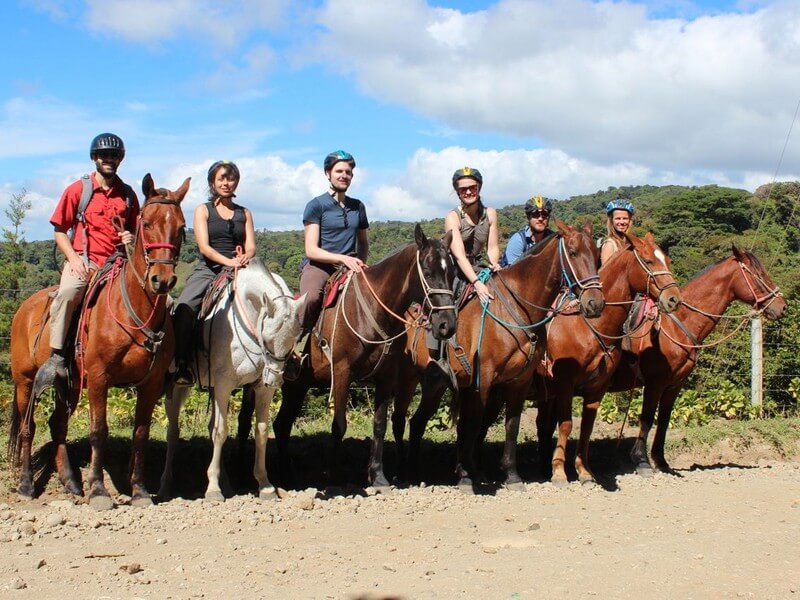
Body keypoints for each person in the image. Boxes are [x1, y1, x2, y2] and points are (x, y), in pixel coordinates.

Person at [33, 133, 140, 387]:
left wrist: (130, 237)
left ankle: (158, 363)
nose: (109, 160)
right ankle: (56, 358)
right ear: (95, 158)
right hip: (85, 261)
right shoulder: (78, 190)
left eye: (114, 156)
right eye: (104, 155)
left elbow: (138, 232)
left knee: (161, 299)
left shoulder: (127, 195)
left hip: (118, 265)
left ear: (120, 159)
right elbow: (60, 230)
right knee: (68, 293)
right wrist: (73, 259)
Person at [172, 160, 256, 385]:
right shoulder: (203, 210)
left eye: (231, 178)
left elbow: (251, 245)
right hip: (209, 269)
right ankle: (181, 363)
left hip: (242, 266)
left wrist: (245, 256)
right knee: (184, 306)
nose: (226, 183)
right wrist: (228, 261)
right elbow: (204, 248)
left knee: (274, 298)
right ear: (212, 182)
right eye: (222, 178)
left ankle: (282, 358)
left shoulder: (244, 212)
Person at [297, 150, 369, 331]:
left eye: (348, 172)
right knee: (311, 298)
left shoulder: (358, 206)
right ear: (328, 174)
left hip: (350, 265)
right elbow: (311, 250)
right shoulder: (316, 205)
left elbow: (363, 242)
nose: (344, 176)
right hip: (319, 266)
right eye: (339, 171)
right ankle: (292, 344)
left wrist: (359, 262)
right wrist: (343, 258)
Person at [446, 167, 501, 304]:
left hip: (478, 266)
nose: (469, 192)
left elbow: (492, 248)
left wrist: (493, 264)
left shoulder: (490, 213)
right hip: (454, 270)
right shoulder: (453, 217)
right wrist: (476, 283)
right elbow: (459, 256)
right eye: (463, 189)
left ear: (479, 188)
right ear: (458, 193)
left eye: (472, 187)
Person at [500, 195, 555, 266]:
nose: (540, 219)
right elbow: (513, 273)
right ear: (529, 217)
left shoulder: (554, 239)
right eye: (536, 214)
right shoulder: (518, 241)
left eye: (544, 215)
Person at [600, 198, 635, 264]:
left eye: (625, 218)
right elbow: (606, 273)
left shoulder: (632, 243)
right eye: (618, 218)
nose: (621, 222)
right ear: (611, 220)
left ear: (630, 220)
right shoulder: (610, 245)